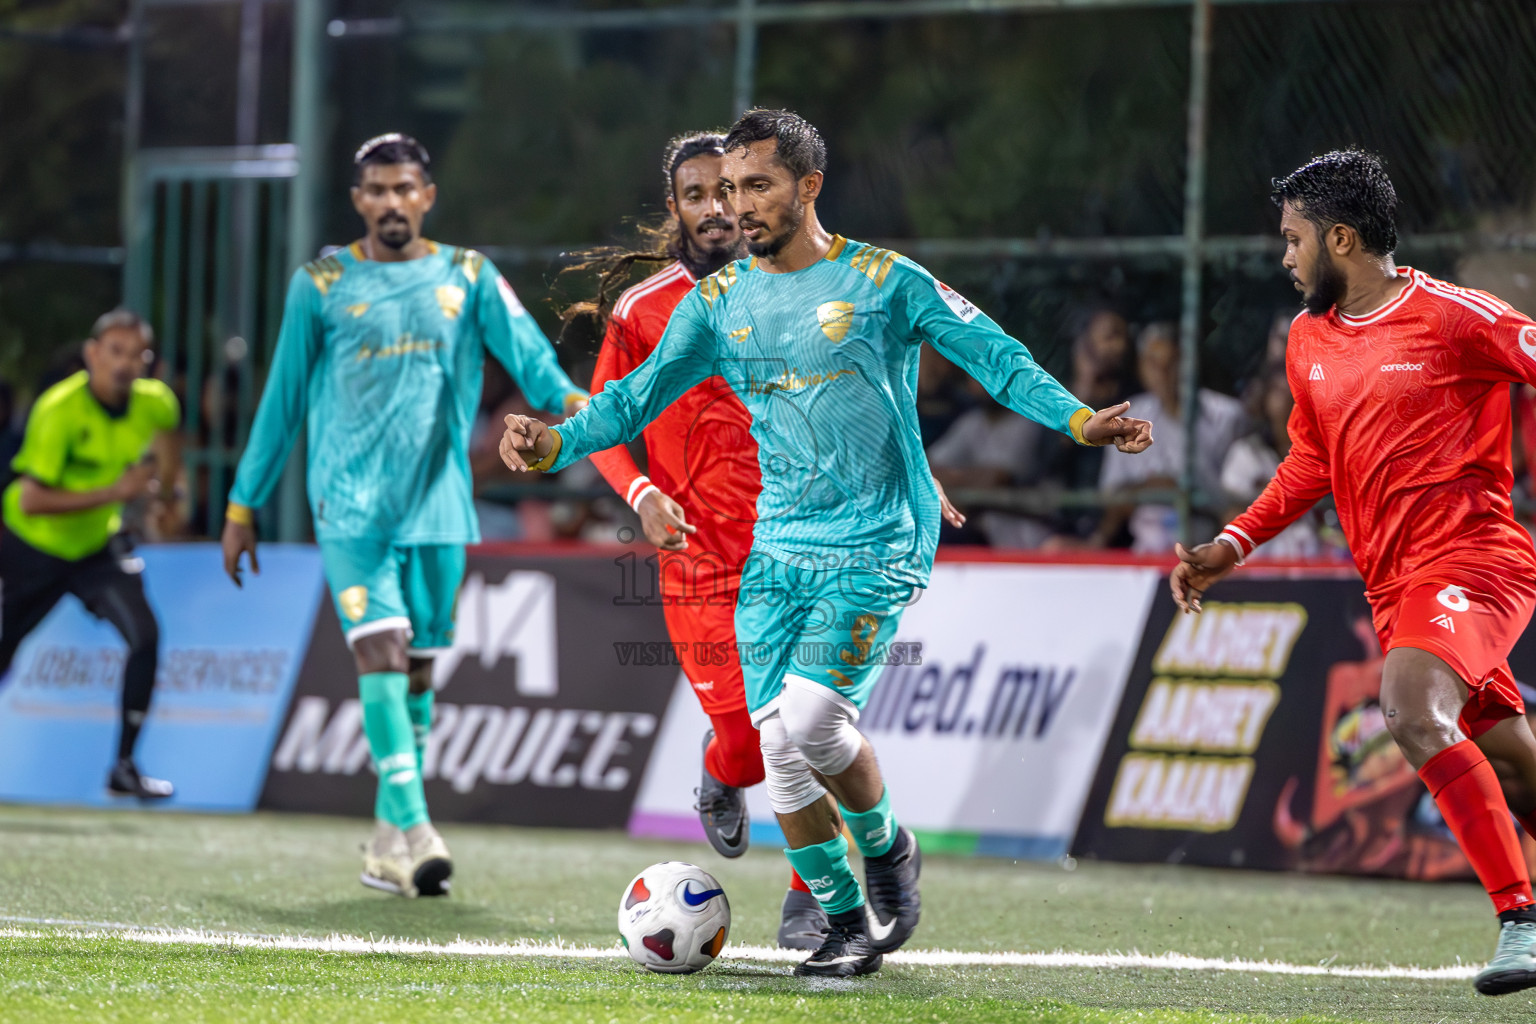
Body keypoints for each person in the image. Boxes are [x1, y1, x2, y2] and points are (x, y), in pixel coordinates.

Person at [499, 109, 1153, 977]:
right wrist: (554, 442)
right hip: (780, 542)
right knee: (779, 746)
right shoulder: (719, 303)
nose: (738, 207)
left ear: (809, 187)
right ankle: (855, 906)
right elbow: (630, 401)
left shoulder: (885, 280)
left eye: (757, 186)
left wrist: (1076, 419)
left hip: (879, 535)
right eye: (727, 190)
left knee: (808, 720)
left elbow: (994, 356)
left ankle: (880, 853)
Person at [1171, 149, 1536, 997]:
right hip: (1393, 586)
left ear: (1341, 238)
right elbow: (1311, 460)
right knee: (1509, 760)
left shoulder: (1453, 317)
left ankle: (1520, 918)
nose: (1286, 257)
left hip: (1475, 561)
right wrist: (1233, 543)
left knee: (1411, 710)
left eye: (1295, 239)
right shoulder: (1308, 340)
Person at [221, 133, 586, 900]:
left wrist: (580, 408)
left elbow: (530, 359)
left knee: (419, 669)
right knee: (381, 651)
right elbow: (283, 399)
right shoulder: (320, 282)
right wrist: (242, 502)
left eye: (404, 188)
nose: (391, 202)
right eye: (377, 190)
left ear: (427, 196)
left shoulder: (468, 275)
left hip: (440, 506)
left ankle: (387, 840)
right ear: (359, 200)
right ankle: (417, 827)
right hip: (351, 507)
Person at [570, 131, 827, 949]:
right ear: (674, 205)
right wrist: (641, 491)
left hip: (799, 542)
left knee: (807, 722)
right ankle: (723, 774)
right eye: (697, 195)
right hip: (698, 565)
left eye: (732, 191)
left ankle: (814, 893)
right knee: (750, 745)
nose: (718, 209)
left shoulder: (804, 288)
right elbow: (601, 423)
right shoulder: (644, 309)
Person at [0, 309, 179, 799]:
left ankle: (124, 767)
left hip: (96, 546)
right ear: (92, 355)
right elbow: (32, 499)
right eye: (114, 352)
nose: (123, 365)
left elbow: (167, 439)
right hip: (28, 548)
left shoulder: (155, 402)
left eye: (135, 355)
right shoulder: (59, 409)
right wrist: (117, 492)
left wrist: (164, 498)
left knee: (144, 636)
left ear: (147, 363)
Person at [1094, 323, 1246, 552]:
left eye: (1172, 362)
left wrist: (1190, 492)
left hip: (1209, 543)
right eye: (1153, 363)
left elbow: (1240, 494)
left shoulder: (1227, 416)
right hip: (1148, 549)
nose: (1163, 372)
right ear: (1140, 368)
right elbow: (1112, 499)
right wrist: (1156, 488)